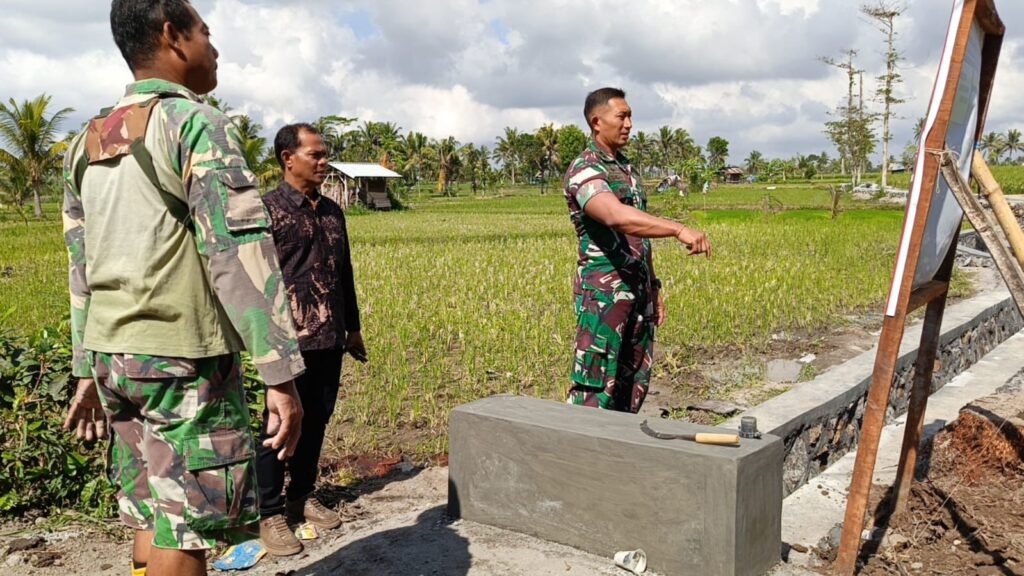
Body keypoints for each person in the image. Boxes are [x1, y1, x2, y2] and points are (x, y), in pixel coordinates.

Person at [61, 2, 306, 575]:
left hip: (112, 357)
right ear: (172, 37)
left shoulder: (89, 140)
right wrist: (280, 374)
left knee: (152, 512)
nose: (214, 48)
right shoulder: (197, 124)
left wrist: (83, 367)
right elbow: (239, 256)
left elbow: (80, 263)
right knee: (188, 526)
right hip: (181, 361)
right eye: (206, 33)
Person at [563, 87, 711, 413]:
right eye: (622, 116)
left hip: (638, 297)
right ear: (597, 121)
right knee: (596, 389)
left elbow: (639, 240)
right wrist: (678, 228)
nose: (629, 123)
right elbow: (616, 216)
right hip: (604, 300)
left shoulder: (627, 170)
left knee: (632, 388)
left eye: (630, 115)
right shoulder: (585, 169)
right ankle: (579, 460)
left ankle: (618, 458)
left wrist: (653, 286)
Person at [256, 123, 367, 556]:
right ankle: (269, 513)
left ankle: (302, 496)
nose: (324, 162)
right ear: (288, 158)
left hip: (329, 336)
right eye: (315, 155)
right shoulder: (268, 211)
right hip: (287, 342)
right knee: (279, 426)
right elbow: (258, 285)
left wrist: (352, 328)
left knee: (317, 419)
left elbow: (345, 275)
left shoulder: (332, 211)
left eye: (325, 154)